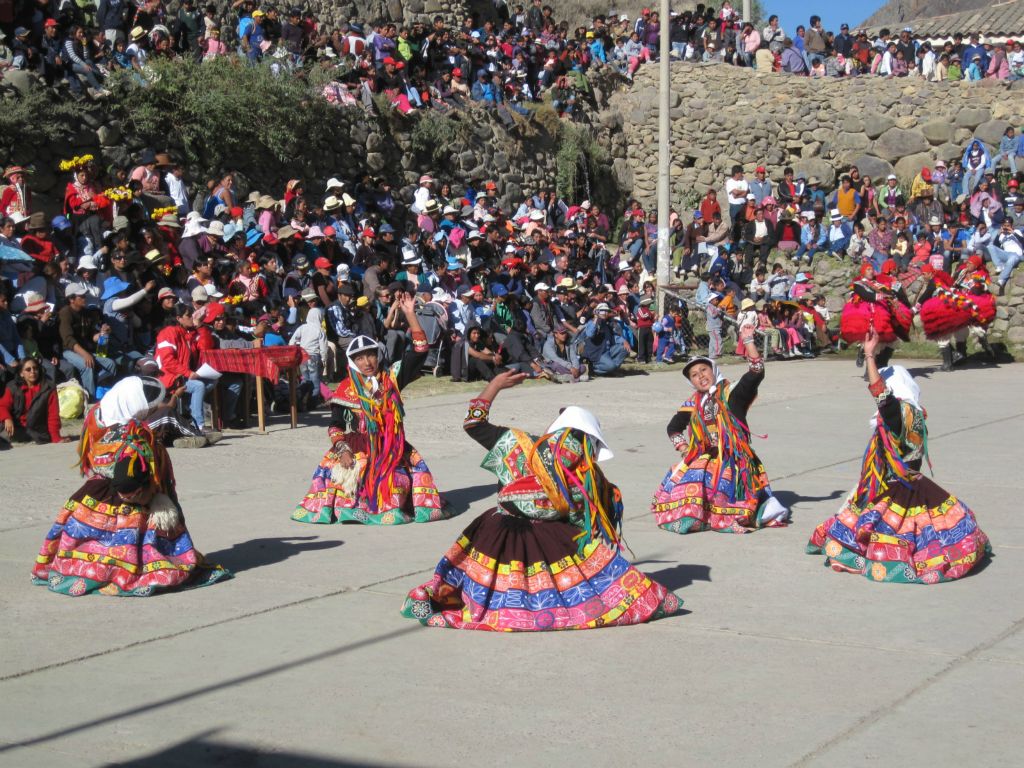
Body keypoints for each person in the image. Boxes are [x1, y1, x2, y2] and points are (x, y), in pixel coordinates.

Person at [401, 370, 681, 630]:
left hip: (497, 533)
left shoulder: (520, 444)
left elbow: (473, 423)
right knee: (588, 585)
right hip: (553, 540)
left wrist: (495, 385)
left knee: (475, 584)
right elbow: (590, 526)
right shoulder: (589, 476)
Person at [807, 330, 990, 583]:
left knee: (863, 528)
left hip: (894, 486)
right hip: (914, 482)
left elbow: (880, 393)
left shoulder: (897, 416)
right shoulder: (916, 414)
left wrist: (870, 356)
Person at [31, 376, 231, 596]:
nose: (149, 411)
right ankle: (130, 567)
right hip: (128, 501)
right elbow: (126, 482)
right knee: (144, 552)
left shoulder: (98, 416)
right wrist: (147, 496)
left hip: (94, 494)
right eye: (147, 407)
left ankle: (77, 565)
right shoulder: (134, 437)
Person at [293, 297, 450, 525]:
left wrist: (410, 315)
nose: (367, 362)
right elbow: (336, 425)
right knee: (344, 480)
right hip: (356, 447)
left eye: (371, 355)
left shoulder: (392, 379)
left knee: (401, 481)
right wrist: (343, 450)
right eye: (360, 357)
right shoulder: (346, 389)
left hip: (392, 447)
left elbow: (419, 350)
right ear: (352, 361)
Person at [651, 331, 789, 535]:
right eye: (694, 375)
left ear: (713, 370)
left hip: (735, 460)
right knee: (680, 484)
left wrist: (748, 340)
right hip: (706, 457)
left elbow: (756, 371)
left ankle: (723, 515)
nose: (701, 377)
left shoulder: (732, 393)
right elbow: (673, 427)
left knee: (711, 482)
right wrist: (684, 450)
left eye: (703, 370)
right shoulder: (694, 402)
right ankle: (696, 516)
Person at [0, 358, 67, 446]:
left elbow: (53, 415)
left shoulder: (48, 388)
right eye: (28, 369)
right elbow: (2, 406)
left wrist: (56, 438)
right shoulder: (12, 387)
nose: (33, 372)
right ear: (21, 373)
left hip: (37, 430)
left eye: (35, 368)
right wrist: (7, 418)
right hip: (16, 426)